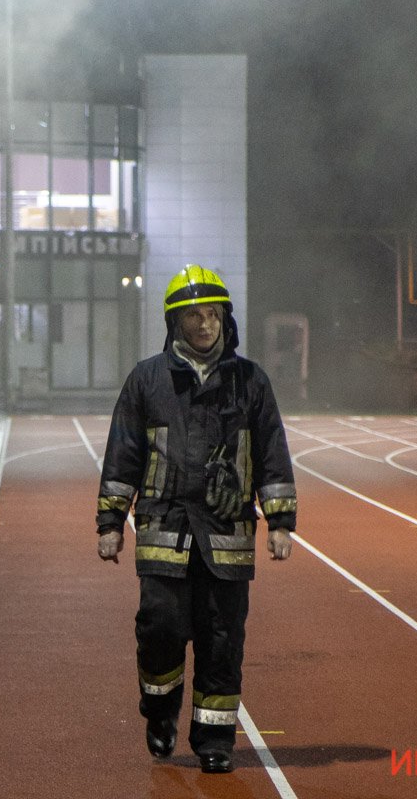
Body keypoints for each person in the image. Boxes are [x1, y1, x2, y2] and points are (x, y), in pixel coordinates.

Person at [93, 264, 297, 775]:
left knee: (222, 638)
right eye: (194, 316)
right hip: (164, 526)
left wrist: (280, 520)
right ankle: (159, 711)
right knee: (159, 628)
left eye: (214, 314)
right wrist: (111, 521)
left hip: (228, 534)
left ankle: (215, 740)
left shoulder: (250, 381)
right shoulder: (147, 379)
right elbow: (123, 454)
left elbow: (273, 450)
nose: (206, 324)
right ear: (174, 322)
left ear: (226, 319)